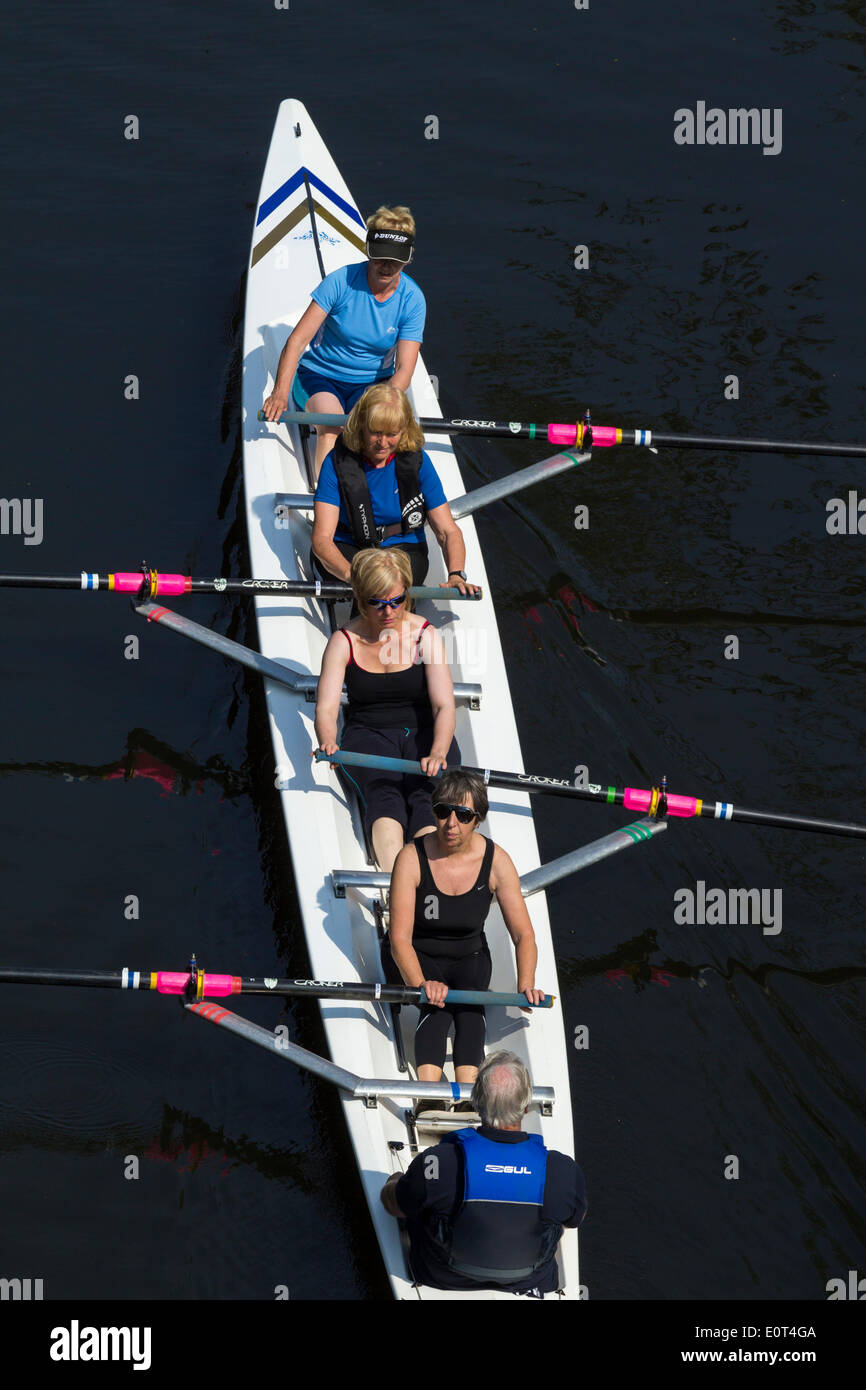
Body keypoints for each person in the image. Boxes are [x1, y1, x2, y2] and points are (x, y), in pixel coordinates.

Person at [386, 770, 543, 1099]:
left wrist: (526, 981)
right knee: (436, 1007)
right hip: (417, 954)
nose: (451, 824)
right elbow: (399, 938)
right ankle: (428, 1096)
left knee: (471, 1010)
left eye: (463, 814)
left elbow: (524, 935)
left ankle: (468, 1096)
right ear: (434, 812)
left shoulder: (497, 861)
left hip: (468, 956)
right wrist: (419, 983)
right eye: (443, 811)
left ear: (478, 819)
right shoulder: (410, 859)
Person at [380, 1051, 587, 1295]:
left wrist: (394, 1182)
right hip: (529, 1281)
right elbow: (575, 1220)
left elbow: (394, 1205)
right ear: (526, 1106)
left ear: (477, 1101)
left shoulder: (438, 1162)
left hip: (442, 1277)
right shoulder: (562, 1170)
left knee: (420, 1202)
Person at [315, 547, 459, 873]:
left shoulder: (425, 635)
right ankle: (398, 889)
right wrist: (328, 741)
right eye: (376, 603)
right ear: (360, 598)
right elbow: (326, 709)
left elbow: (443, 705)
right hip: (368, 734)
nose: (388, 612)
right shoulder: (343, 641)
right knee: (385, 800)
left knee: (426, 800)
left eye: (397, 600)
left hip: (422, 730)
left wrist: (437, 752)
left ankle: (426, 887)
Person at [262, 206, 425, 476]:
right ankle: (326, 506)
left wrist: (378, 405)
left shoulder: (413, 299)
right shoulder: (340, 282)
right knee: (333, 428)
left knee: (376, 431)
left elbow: (404, 369)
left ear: (407, 260)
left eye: (394, 261)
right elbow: (297, 340)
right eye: (380, 258)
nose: (386, 267)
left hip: (374, 384)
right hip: (320, 376)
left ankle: (372, 496)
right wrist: (279, 392)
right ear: (368, 251)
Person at [311, 383, 477, 594]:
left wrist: (456, 574)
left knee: (387, 589)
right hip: (350, 548)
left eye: (392, 434)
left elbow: (447, 531)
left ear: (404, 431)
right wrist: (353, 576)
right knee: (379, 589)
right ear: (362, 426)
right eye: (375, 432)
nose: (383, 442)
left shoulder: (418, 463)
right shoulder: (336, 462)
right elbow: (322, 540)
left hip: (404, 549)